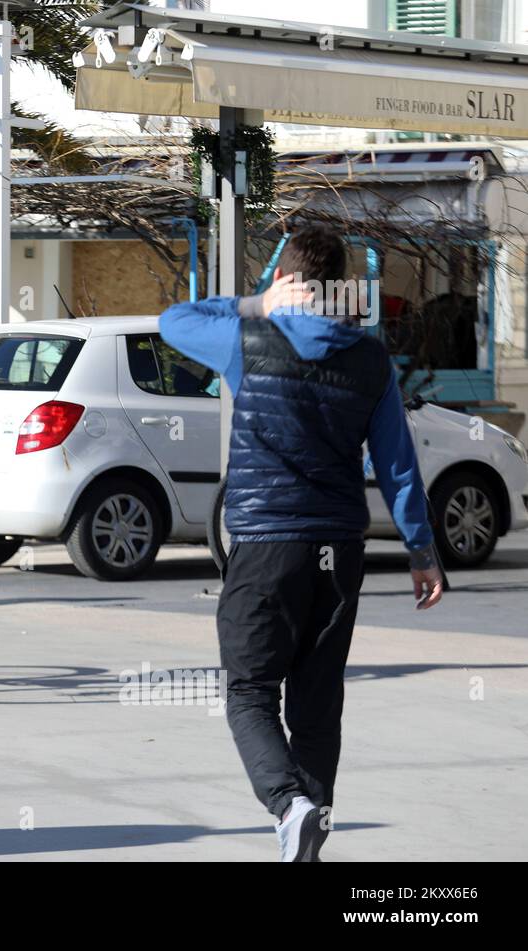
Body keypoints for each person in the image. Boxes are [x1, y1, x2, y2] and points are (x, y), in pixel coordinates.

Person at [158, 224, 443, 862]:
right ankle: (307, 838)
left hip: (265, 542)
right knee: (318, 701)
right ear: (339, 285)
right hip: (339, 550)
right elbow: (397, 464)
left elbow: (174, 320)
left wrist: (255, 305)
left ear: (285, 279)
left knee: (249, 690)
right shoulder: (370, 359)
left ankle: (291, 808)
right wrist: (422, 552)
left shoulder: (247, 335)